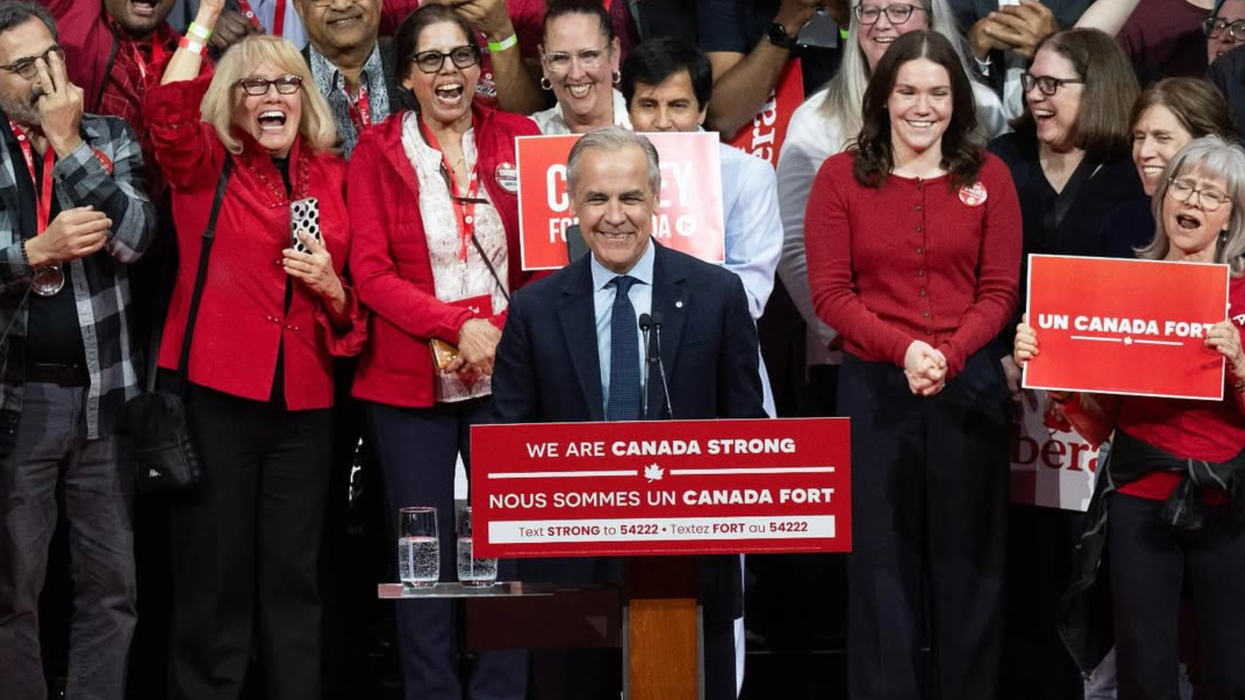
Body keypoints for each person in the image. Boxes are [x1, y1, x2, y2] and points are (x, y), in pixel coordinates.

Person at [491, 126, 766, 700]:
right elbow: (507, 445)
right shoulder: (534, 309)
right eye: (597, 198)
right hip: (570, 572)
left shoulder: (717, 295)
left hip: (687, 566)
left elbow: (748, 433)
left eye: (630, 197)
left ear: (657, 199)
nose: (614, 216)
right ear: (571, 203)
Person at [145, 0, 367, 696]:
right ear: (230, 103)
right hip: (218, 396)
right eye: (254, 85)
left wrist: (332, 287)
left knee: (296, 574)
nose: (273, 96)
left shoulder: (333, 177)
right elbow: (168, 106)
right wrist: (206, 19)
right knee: (215, 575)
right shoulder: (205, 165)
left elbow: (354, 306)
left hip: (305, 403)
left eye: (286, 83)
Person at [804, 29, 1022, 700]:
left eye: (936, 92)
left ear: (957, 100)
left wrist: (950, 355)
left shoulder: (990, 176)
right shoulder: (839, 177)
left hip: (970, 390)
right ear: (882, 97)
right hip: (875, 392)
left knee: (969, 575)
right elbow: (829, 294)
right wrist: (905, 350)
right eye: (906, 92)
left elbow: (999, 292)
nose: (921, 107)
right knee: (879, 576)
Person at [346, 5, 538, 699]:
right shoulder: (374, 151)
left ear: (480, 68)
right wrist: (456, 326)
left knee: (503, 550)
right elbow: (368, 273)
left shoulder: (519, 139)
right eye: (430, 60)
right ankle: (430, 691)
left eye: (461, 56)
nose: (449, 72)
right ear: (405, 76)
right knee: (423, 555)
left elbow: (547, 264)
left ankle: (501, 690)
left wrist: (500, 333)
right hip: (409, 385)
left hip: (508, 378)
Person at [1015, 134, 1245, 700]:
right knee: (1144, 668)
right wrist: (1057, 373)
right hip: (1138, 492)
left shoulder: (1242, 295)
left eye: (1210, 194)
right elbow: (1099, 424)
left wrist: (1239, 364)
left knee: (1231, 667)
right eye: (1182, 186)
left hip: (1228, 498)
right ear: (1164, 200)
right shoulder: (1125, 285)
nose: (1191, 199)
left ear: (1231, 218)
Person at [0, 3, 156, 699]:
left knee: (111, 588)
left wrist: (68, 148)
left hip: (104, 394)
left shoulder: (109, 137)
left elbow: (135, 239)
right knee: (13, 591)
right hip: (16, 399)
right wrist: (33, 251)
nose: (46, 75)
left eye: (52, 56)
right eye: (23, 66)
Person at [985, 26, 1141, 700]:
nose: (1035, 96)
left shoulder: (1129, 174)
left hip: (1096, 416)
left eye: (1051, 85)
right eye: (1030, 83)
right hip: (1003, 402)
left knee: (1087, 565)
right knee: (1017, 563)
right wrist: (994, 356)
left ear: (1096, 88)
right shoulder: (1000, 158)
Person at [777, 0, 1007, 418]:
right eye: (870, 9)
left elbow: (997, 283)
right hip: (854, 361)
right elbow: (798, 254)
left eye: (900, 9)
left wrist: (948, 356)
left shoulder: (987, 114)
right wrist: (860, 341)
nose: (883, 23)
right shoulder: (816, 124)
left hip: (965, 368)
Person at [620, 36, 782, 416]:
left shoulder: (747, 176)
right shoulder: (601, 176)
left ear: (703, 108)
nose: (662, 123)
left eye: (678, 106)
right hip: (623, 362)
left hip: (717, 363)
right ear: (628, 111)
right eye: (648, 105)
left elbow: (751, 296)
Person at [1100, 78, 1235, 258]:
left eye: (1162, 138)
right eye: (1139, 137)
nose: (1143, 153)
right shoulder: (1120, 226)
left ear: (1204, 144)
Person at [699, 0, 850, 136]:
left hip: (847, 137)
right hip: (765, 148)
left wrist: (849, 22)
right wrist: (787, 23)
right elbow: (723, 119)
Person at [533, 0, 629, 134]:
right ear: (544, 62)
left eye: (588, 55)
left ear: (614, 53)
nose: (576, 74)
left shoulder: (648, 124)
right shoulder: (530, 133)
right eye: (560, 58)